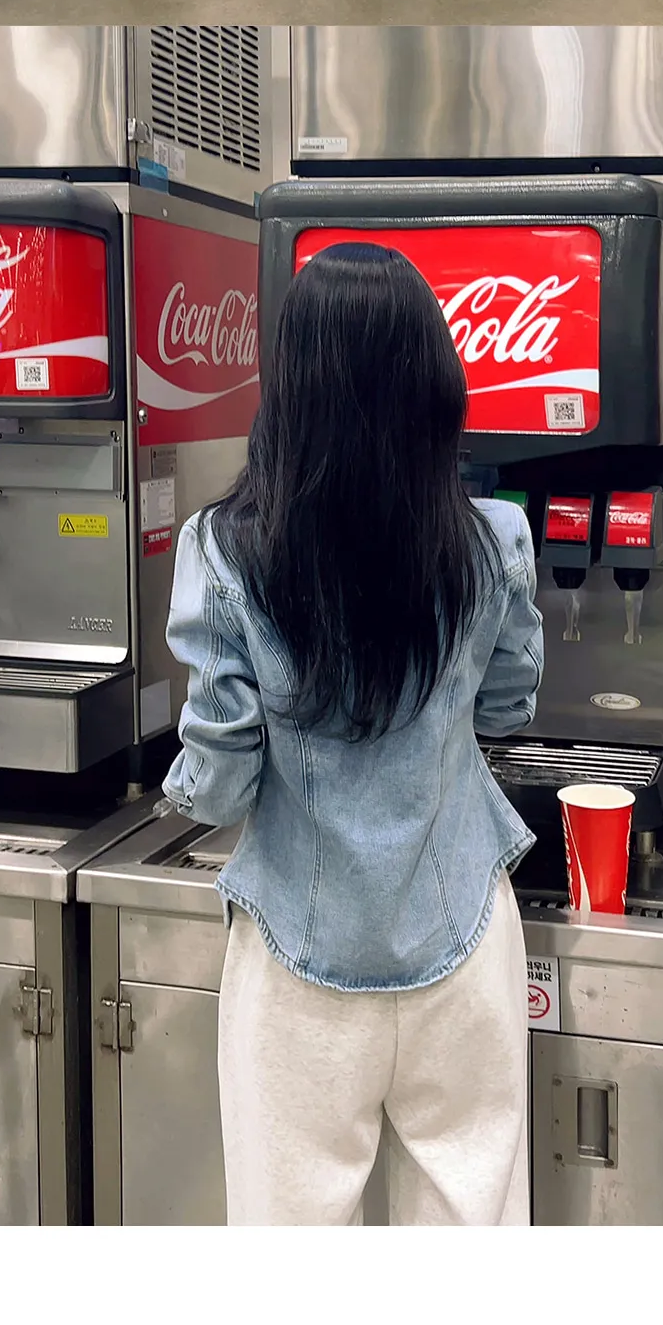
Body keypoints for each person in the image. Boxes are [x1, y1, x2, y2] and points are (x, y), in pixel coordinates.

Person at [162, 240, 544, 1228]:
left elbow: (219, 782)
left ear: (291, 388)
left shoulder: (225, 550)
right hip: (464, 944)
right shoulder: (493, 539)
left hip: (298, 961)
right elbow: (508, 708)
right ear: (434, 383)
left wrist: (179, 788)